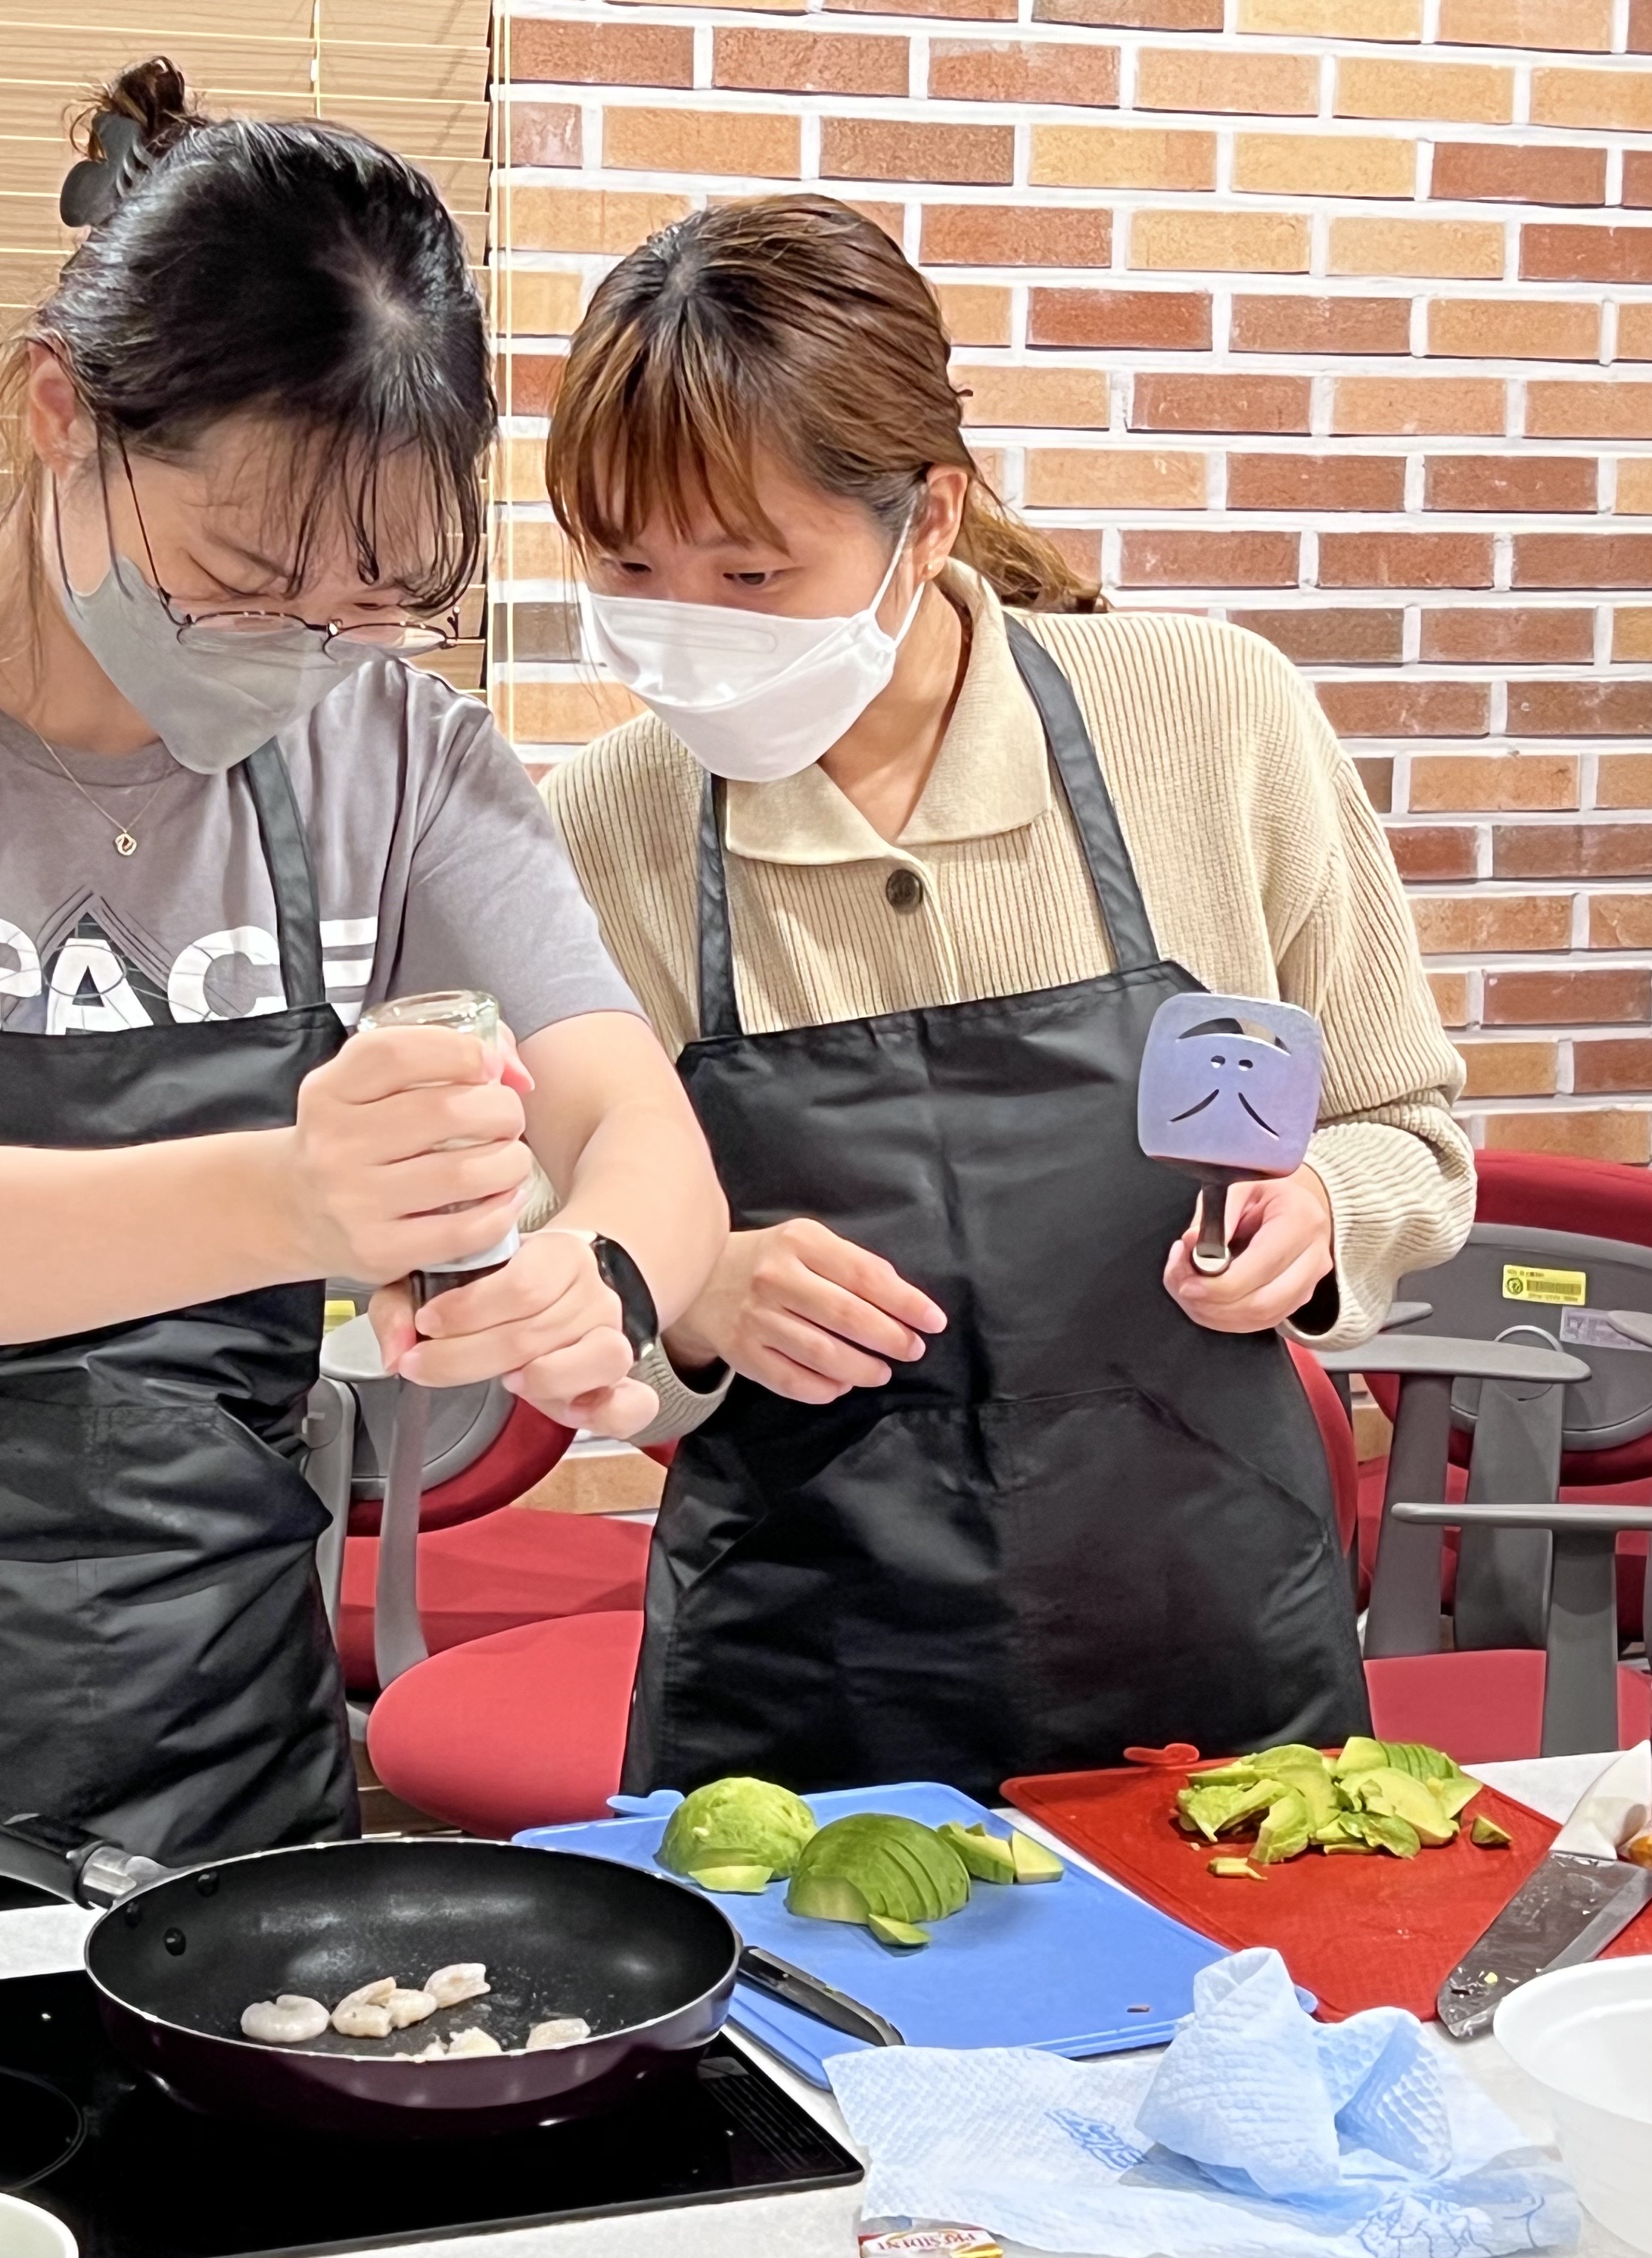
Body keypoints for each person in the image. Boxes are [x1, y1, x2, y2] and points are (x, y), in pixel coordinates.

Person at [0, 61, 724, 1940]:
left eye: (375, 600)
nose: (301, 652)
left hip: (226, 1748)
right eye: (242, 579)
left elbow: (638, 1129)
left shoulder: (405, 760)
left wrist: (591, 1278)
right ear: (62, 411)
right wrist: (297, 1196)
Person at [541, 195, 1471, 1799]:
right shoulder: (601, 829)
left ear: (928, 520)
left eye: (753, 570)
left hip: (1206, 1636)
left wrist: (1325, 1209)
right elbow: (564, 1264)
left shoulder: (1212, 718)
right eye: (629, 568)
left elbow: (1410, 1131)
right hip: (801, 1673)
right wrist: (692, 1289)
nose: (690, 632)